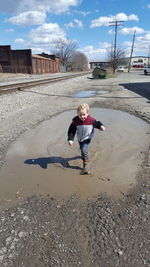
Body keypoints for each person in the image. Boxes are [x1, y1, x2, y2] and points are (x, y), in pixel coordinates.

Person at [67, 103, 106, 174]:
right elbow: (71, 130)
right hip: (80, 138)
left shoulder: (91, 120)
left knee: (84, 149)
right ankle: (83, 155)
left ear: (87, 113)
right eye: (80, 115)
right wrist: (70, 139)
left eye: (84, 114)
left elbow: (97, 123)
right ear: (77, 114)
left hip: (87, 138)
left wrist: (101, 127)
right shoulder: (75, 121)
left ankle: (85, 167)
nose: (82, 117)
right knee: (82, 148)